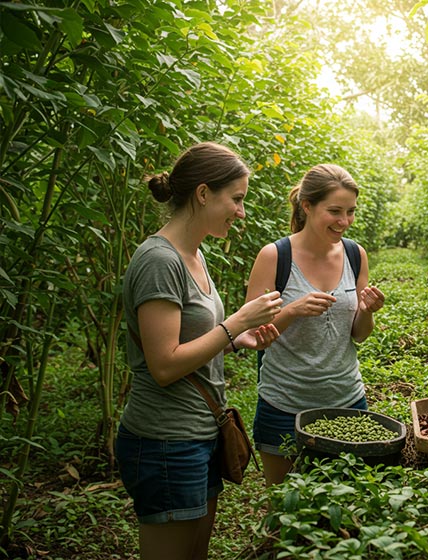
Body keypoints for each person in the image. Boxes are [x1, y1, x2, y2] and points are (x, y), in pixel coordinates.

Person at [116, 142, 284, 560]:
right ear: (204, 193)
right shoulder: (159, 261)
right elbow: (164, 365)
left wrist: (236, 338)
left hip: (201, 433)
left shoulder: (195, 254)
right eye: (237, 199)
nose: (241, 212)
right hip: (165, 440)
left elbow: (194, 338)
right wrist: (237, 323)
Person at [245, 163, 385, 486]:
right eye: (335, 211)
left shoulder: (355, 255)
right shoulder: (274, 257)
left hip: (347, 400)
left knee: (345, 502)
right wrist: (293, 310)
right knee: (284, 507)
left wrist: (366, 310)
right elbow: (250, 333)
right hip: (283, 405)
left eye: (350, 211)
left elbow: (359, 335)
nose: (344, 222)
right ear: (307, 206)